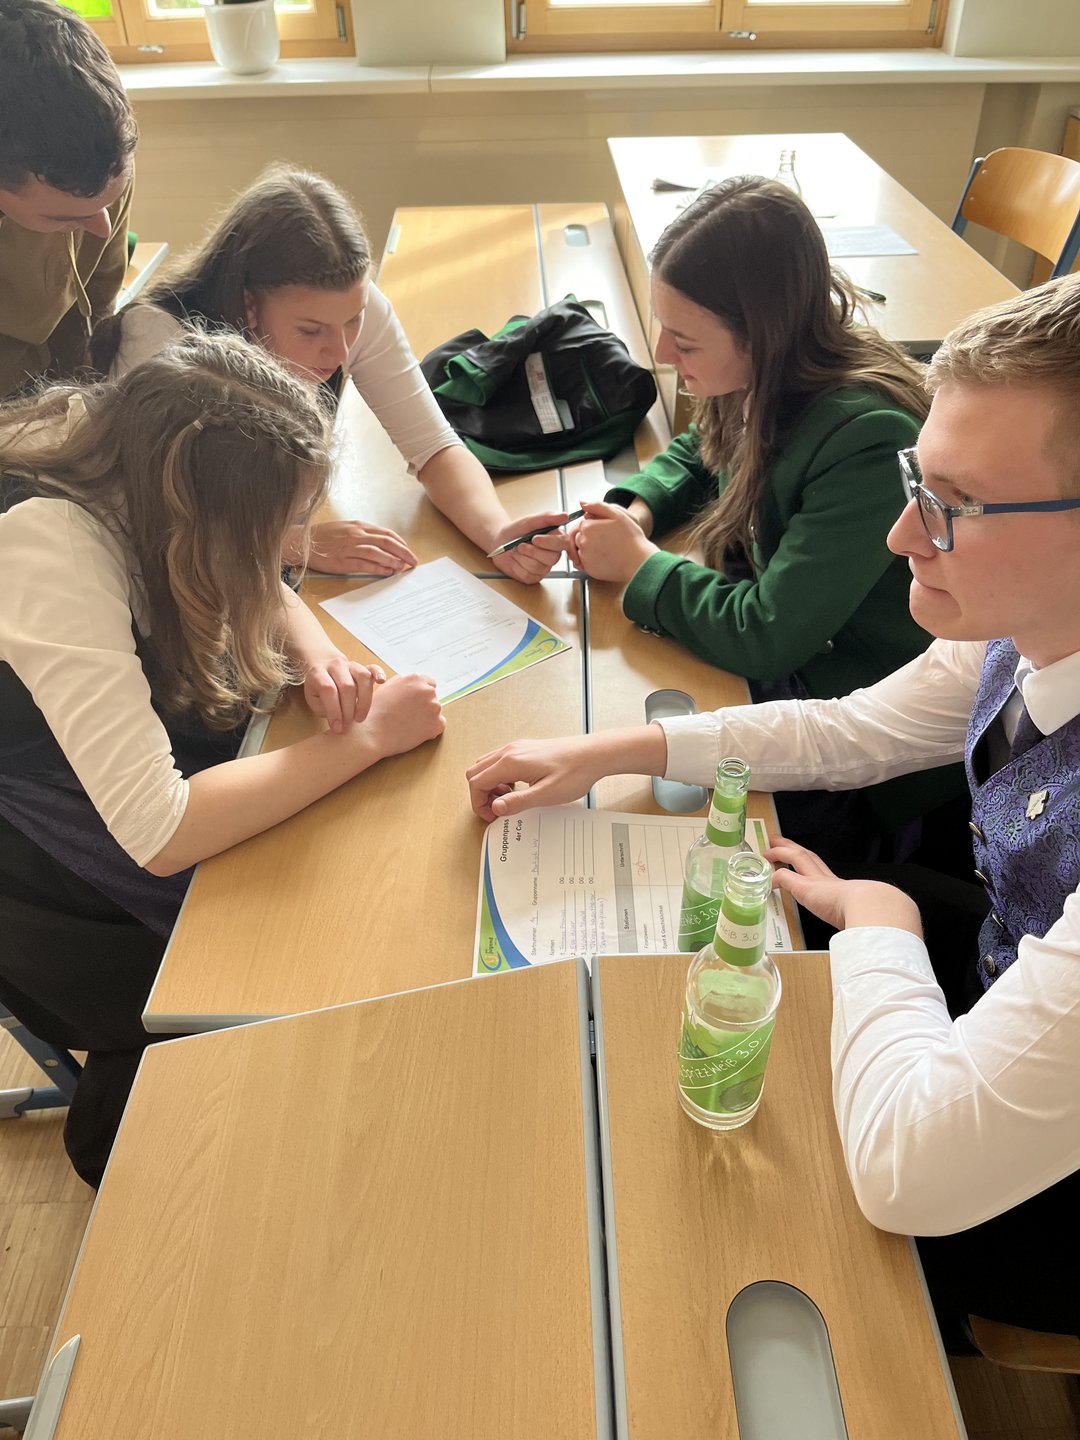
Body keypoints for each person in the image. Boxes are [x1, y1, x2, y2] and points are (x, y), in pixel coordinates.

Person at [468, 273, 1080, 1344]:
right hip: (1007, 979)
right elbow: (854, 731)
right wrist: (610, 750)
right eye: (917, 482)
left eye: (956, 506)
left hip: (1043, 1212)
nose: (901, 536)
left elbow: (910, 1174)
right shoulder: (1021, 628)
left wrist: (882, 926)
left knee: (709, 1210)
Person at [0, 332, 445, 1187]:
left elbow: (257, 572)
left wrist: (316, 653)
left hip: (106, 758)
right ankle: (141, 1139)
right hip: (45, 857)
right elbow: (161, 830)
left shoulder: (137, 445)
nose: (295, 542)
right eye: (285, 523)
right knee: (255, 967)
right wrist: (363, 739)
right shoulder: (53, 554)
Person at [533, 176, 956, 863]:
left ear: (760, 335)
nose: (662, 354)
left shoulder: (866, 436)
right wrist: (635, 511)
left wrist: (639, 564)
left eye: (684, 340)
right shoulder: (765, 371)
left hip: (860, 747)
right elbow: (702, 449)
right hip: (800, 682)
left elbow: (766, 634)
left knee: (679, 832)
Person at [93, 165, 564, 583]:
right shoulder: (160, 339)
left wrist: (498, 534)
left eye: (353, 321)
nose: (340, 351)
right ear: (248, 303)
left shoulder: (346, 306)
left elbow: (433, 446)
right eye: (310, 330)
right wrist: (296, 543)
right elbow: (147, 519)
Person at [0, 0, 136, 397]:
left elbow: (98, 301)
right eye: (61, 218)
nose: (103, 227)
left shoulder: (105, 147)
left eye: (111, 200)